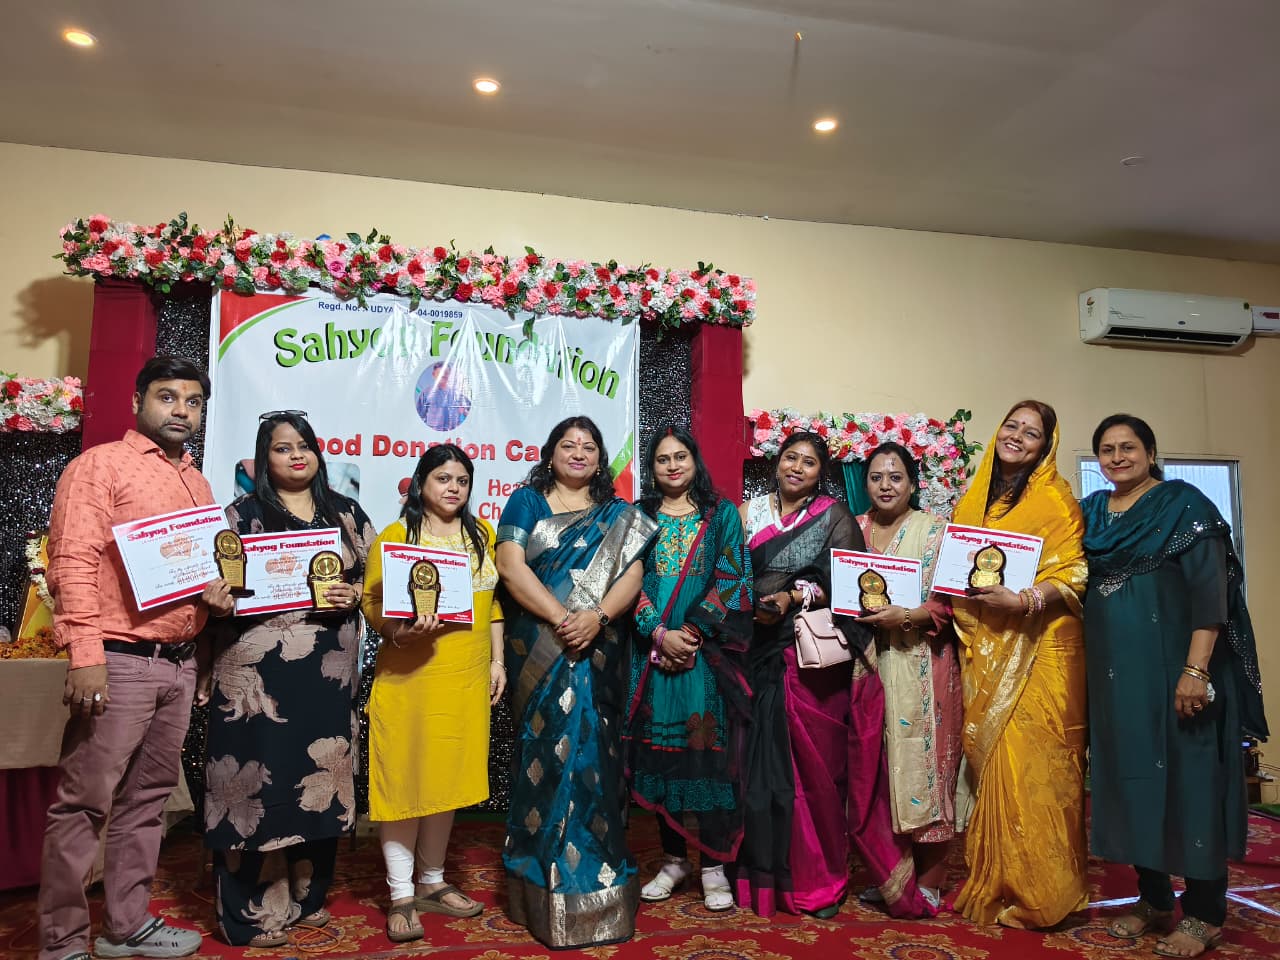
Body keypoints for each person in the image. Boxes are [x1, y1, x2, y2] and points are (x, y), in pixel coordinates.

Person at [39, 356, 234, 960]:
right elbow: (71, 561)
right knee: (83, 803)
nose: (181, 410)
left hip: (178, 663)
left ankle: (124, 927)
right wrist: (85, 655)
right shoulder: (100, 466)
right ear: (137, 402)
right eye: (167, 397)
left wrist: (213, 607)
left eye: (193, 402)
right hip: (118, 658)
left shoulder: (198, 483)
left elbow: (197, 574)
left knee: (148, 803)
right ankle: (61, 943)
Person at [1083, 414, 1267, 958]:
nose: (1118, 458)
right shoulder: (1091, 513)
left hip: (1177, 674)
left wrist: (1196, 671)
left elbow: (1211, 595)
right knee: (1133, 782)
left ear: (1150, 451)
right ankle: (1155, 898)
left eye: (1128, 447)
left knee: (1190, 783)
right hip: (1116, 682)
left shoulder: (1185, 505)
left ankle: (1205, 913)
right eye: (1107, 450)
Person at [736, 431, 933, 919]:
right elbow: (728, 574)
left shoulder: (834, 516)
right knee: (757, 774)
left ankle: (819, 879)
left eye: (808, 462)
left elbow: (845, 582)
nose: (797, 468)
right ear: (776, 463)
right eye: (791, 458)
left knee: (818, 778)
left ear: (820, 473)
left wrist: (794, 596)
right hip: (754, 652)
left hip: (809, 664)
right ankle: (766, 881)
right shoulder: (748, 514)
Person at [203, 411, 375, 947]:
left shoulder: (346, 512)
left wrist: (354, 594)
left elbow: (376, 582)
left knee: (319, 773)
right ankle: (251, 911)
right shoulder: (241, 515)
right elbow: (217, 586)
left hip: (327, 675)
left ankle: (307, 895)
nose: (296, 455)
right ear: (264, 458)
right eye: (282, 448)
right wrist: (217, 598)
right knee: (260, 780)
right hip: (259, 677)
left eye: (304, 446)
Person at [495, 416, 657, 949]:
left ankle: (596, 877)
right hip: (540, 649)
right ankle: (537, 877)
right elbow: (511, 567)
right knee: (544, 757)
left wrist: (598, 618)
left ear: (600, 459)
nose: (579, 453)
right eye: (569, 445)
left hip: (598, 649)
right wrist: (564, 617)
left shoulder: (619, 515)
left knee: (595, 757)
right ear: (551, 453)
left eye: (589, 446)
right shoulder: (527, 501)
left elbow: (633, 574)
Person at [950, 400, 1089, 928]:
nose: (1017, 436)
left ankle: (1046, 891)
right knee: (997, 765)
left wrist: (1025, 600)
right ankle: (1001, 880)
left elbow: (1075, 572)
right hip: (988, 641)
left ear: (1045, 446)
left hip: (1042, 647)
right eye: (1011, 425)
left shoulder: (1055, 501)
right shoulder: (977, 495)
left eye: (1032, 433)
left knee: (1039, 766)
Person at [361, 444, 507, 943]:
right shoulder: (397, 536)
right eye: (443, 478)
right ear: (421, 482)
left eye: (462, 480)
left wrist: (498, 662)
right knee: (405, 781)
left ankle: (432, 881)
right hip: (411, 679)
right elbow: (372, 602)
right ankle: (401, 894)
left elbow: (493, 606)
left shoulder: (482, 534)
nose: (453, 488)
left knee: (446, 780)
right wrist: (398, 633)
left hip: (465, 679)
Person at [623, 426, 753, 913]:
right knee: (662, 756)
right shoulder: (638, 516)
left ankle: (714, 867)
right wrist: (659, 633)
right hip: (652, 652)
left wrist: (692, 633)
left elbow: (735, 577)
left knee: (708, 757)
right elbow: (626, 581)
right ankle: (674, 861)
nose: (673, 466)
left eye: (680, 456)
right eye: (663, 459)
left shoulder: (720, 514)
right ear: (651, 467)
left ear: (694, 460)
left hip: (706, 655)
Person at [854, 442, 962, 909]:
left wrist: (906, 616)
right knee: (877, 769)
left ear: (913, 484)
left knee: (927, 767)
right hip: (864, 665)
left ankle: (930, 880)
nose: (885, 485)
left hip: (923, 663)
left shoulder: (936, 531)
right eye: (876, 477)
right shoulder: (852, 528)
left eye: (895, 477)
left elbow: (953, 602)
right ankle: (890, 874)